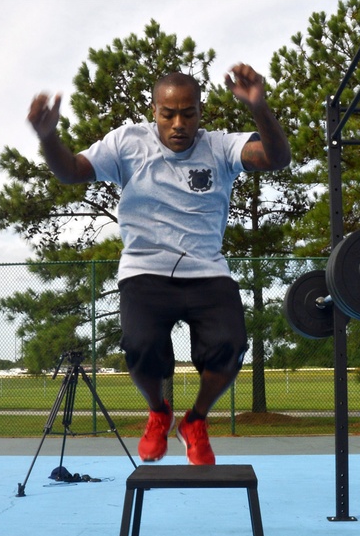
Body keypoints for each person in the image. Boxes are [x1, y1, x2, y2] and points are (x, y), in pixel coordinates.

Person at [27, 63, 290, 465]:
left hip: (206, 270)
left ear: (201, 113)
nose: (179, 123)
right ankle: (158, 411)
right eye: (169, 114)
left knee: (231, 346)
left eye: (189, 113)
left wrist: (259, 107)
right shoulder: (128, 143)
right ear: (154, 111)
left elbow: (275, 158)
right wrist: (48, 138)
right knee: (140, 347)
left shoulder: (219, 146)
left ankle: (195, 420)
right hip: (145, 269)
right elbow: (71, 172)